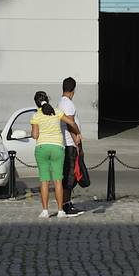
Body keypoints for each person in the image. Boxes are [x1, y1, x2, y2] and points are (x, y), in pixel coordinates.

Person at [31, 90, 79, 219]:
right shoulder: (56, 111)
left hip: (42, 147)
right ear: (48, 99)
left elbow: (35, 135)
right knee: (58, 180)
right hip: (57, 147)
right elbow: (71, 122)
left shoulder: (36, 115)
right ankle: (60, 211)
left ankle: (45, 211)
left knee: (44, 181)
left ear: (37, 103)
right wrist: (78, 133)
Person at [59, 77, 82, 216]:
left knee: (68, 175)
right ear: (73, 90)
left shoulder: (61, 102)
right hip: (69, 143)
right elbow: (70, 123)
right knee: (70, 176)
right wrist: (77, 140)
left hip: (65, 143)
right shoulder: (68, 104)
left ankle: (66, 202)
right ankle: (66, 205)